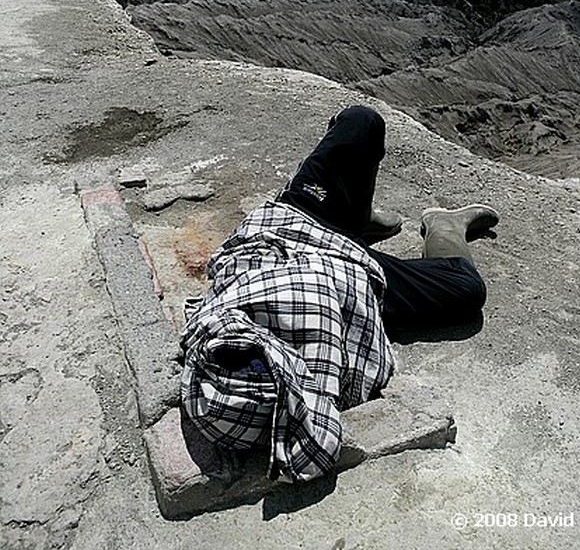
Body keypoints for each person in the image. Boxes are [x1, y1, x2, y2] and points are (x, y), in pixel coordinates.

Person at [180, 105, 498, 483]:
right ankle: (444, 226)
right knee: (466, 289)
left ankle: (353, 219)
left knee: (362, 121)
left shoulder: (218, 334)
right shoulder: (312, 382)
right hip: (353, 274)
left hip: (293, 225)